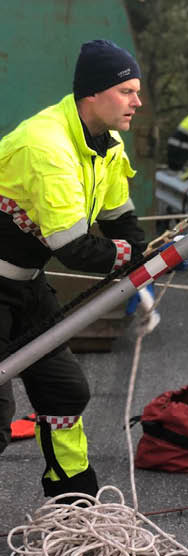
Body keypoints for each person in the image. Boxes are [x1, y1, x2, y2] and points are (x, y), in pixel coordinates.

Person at [0, 39, 150, 497]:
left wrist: (150, 250)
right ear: (93, 94)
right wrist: (136, 258)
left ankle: (73, 502)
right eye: (127, 91)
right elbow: (76, 250)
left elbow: (119, 219)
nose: (137, 102)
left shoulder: (105, 142)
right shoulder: (46, 145)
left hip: (25, 283)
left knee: (64, 390)